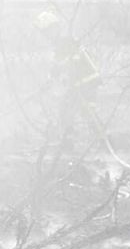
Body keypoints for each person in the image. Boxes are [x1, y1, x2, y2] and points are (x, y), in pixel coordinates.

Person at [34, 10, 101, 154]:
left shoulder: (65, 42)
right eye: (45, 33)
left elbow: (63, 66)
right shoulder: (61, 43)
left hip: (85, 81)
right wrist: (48, 83)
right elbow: (58, 68)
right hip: (81, 82)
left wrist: (52, 80)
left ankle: (101, 142)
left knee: (76, 111)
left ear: (56, 28)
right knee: (72, 111)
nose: (47, 35)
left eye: (49, 31)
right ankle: (74, 142)